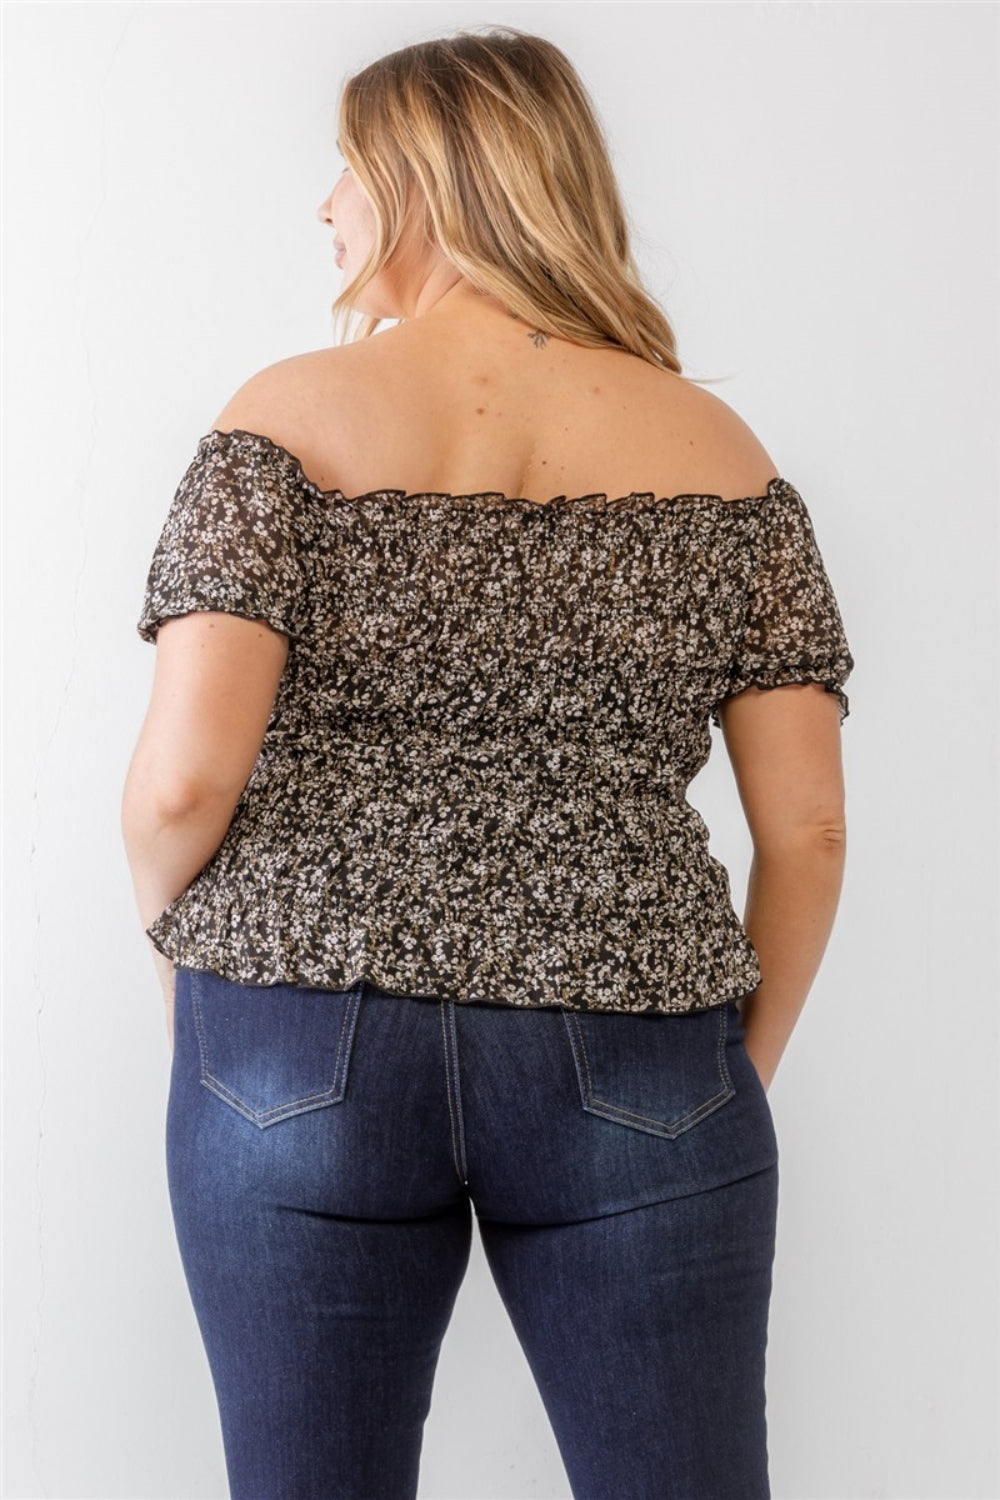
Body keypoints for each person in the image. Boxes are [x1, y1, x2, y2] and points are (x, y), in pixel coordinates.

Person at [121, 24, 854, 1500]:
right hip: (637, 1037)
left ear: (417, 179)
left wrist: (194, 966)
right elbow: (811, 834)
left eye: (344, 168)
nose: (325, 206)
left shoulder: (283, 424)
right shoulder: (723, 454)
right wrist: (724, 1073)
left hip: (296, 1028)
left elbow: (182, 783)